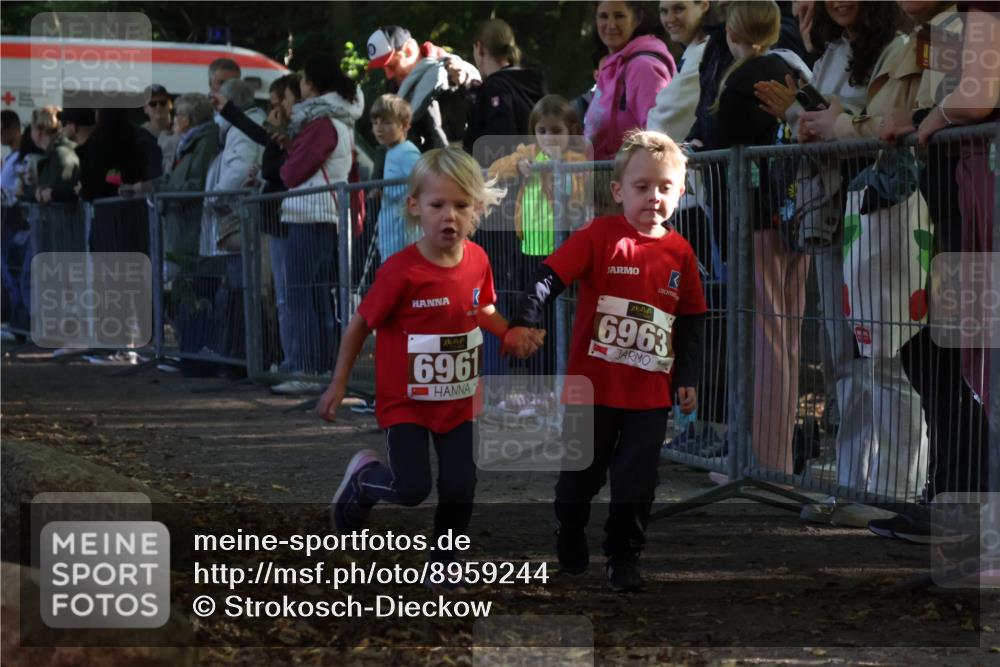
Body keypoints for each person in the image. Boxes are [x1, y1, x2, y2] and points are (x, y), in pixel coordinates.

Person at [316, 148, 539, 577]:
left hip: (458, 401)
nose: (449, 216)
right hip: (407, 404)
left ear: (476, 208)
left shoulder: (478, 260)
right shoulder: (401, 271)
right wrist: (338, 384)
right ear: (415, 207)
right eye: (438, 206)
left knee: (461, 487)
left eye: (461, 206)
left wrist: (509, 333)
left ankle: (444, 562)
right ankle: (363, 480)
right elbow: (360, 326)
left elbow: (484, 310)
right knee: (412, 488)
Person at [507, 130, 707, 592]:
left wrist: (687, 376)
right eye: (641, 187)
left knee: (637, 480)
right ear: (619, 191)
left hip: (648, 397)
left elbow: (693, 319)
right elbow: (548, 277)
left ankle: (624, 557)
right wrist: (528, 318)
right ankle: (570, 529)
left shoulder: (681, 253)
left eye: (664, 188)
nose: (653, 198)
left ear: (680, 193)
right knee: (580, 478)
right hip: (592, 390)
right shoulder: (600, 235)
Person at [754, 0, 909, 526]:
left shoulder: (900, 48)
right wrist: (800, 122)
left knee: (883, 356)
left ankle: (893, 494)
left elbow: (889, 129)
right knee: (844, 355)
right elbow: (824, 126)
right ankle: (851, 488)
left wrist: (827, 124)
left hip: (882, 217)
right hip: (831, 216)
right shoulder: (826, 55)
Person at [276, 54, 363, 377]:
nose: (299, 86)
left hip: (310, 217)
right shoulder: (339, 120)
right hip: (325, 217)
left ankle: (309, 369)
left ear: (311, 84)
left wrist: (287, 160)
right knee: (318, 297)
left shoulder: (322, 123)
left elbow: (292, 172)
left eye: (301, 80)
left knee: (303, 297)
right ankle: (322, 367)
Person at [585, 1, 676, 160]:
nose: (610, 24)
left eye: (619, 16)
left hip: (633, 178)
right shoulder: (612, 67)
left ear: (637, 19)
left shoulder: (643, 67)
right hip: (607, 177)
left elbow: (659, 136)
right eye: (603, 16)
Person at [366, 25, 481, 151]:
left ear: (408, 51)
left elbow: (477, 96)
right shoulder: (394, 88)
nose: (388, 74)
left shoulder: (447, 68)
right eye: (383, 68)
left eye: (391, 65)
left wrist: (463, 80)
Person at [462, 18, 547, 154]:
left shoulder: (493, 88)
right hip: (541, 167)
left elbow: (497, 139)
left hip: (506, 171)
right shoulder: (535, 81)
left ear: (479, 48)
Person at [647, 0, 714, 141]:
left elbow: (664, 120)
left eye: (679, 9)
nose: (670, 19)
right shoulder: (696, 49)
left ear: (704, 5)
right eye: (664, 11)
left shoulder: (704, 51)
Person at [370, 94, 421, 260]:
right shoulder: (390, 152)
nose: (379, 128)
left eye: (386, 122)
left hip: (403, 236)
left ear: (404, 126)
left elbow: (424, 183)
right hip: (390, 234)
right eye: (375, 123)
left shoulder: (407, 152)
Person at [137, 84, 178, 179]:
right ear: (145, 108)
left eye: (163, 102)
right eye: (153, 104)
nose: (158, 106)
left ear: (170, 104)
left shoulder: (182, 132)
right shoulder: (137, 137)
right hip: (148, 190)